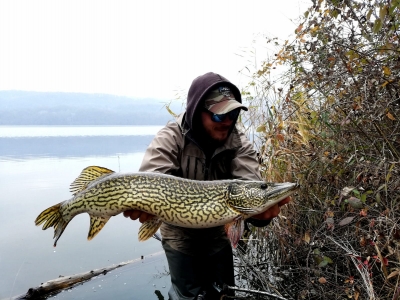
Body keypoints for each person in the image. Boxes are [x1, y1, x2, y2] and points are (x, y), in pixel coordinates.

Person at [123, 72, 291, 300]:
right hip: (177, 228)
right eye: (220, 116)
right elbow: (153, 177)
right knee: (188, 295)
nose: (228, 121)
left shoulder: (238, 141)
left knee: (224, 293)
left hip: (218, 227)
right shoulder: (170, 137)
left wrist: (258, 214)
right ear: (196, 112)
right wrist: (145, 204)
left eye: (233, 114)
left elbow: (248, 185)